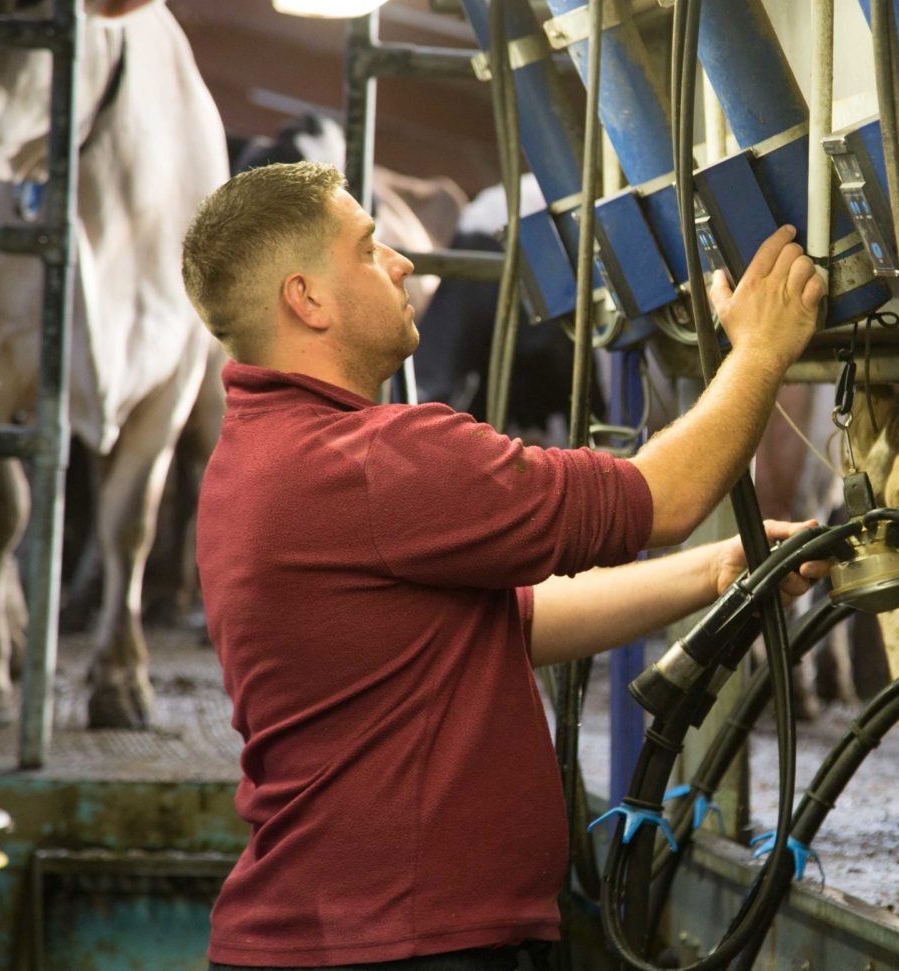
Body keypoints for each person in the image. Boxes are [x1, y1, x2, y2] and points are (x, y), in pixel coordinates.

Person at [180, 161, 827, 971]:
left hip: (344, 935)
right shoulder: (376, 459)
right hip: (396, 947)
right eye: (370, 246)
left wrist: (711, 575)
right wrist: (761, 349)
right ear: (306, 298)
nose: (404, 262)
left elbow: (508, 622)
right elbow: (663, 499)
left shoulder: (255, 458)